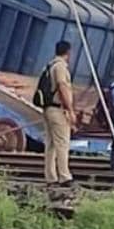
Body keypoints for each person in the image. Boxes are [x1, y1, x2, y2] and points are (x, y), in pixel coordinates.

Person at [37, 41, 76, 188]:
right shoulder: (60, 67)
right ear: (68, 52)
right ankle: (65, 176)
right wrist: (70, 110)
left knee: (51, 144)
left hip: (48, 109)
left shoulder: (49, 65)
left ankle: (50, 177)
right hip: (58, 109)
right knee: (62, 143)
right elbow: (62, 87)